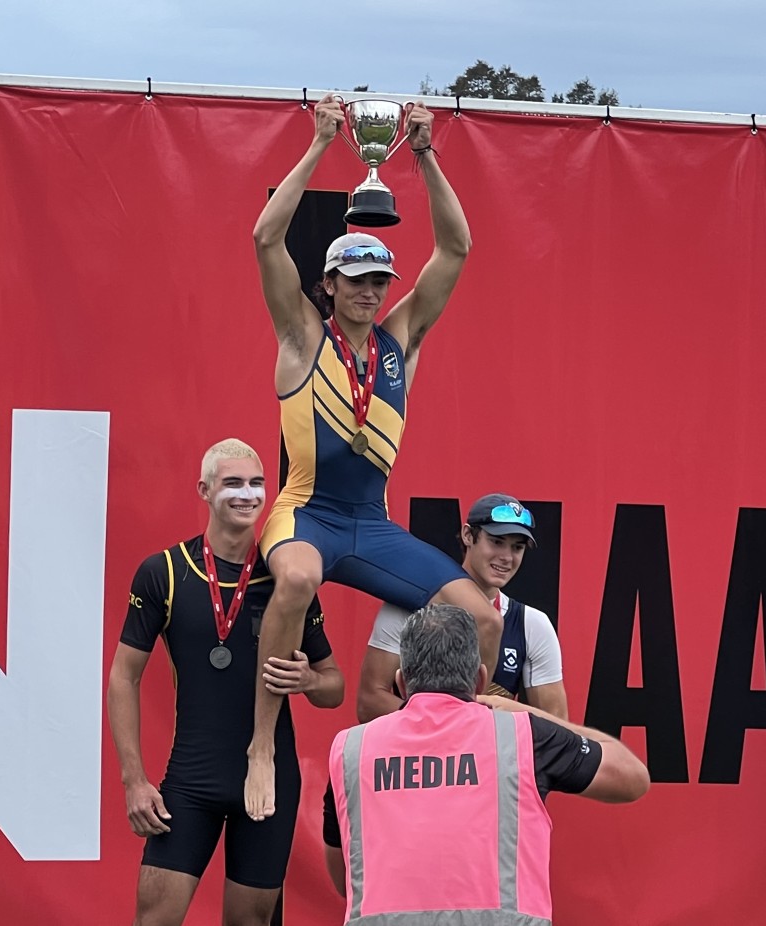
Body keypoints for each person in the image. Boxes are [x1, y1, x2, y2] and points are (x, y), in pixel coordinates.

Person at [246, 93, 502, 822]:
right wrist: (323, 144)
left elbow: (455, 250)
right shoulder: (301, 336)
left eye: (377, 281)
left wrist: (423, 154)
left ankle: (464, 747)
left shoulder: (399, 344)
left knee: (481, 619)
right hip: (307, 515)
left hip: (369, 525)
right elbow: (267, 241)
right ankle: (262, 743)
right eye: (354, 279)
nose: (367, 292)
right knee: (294, 576)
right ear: (328, 284)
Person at [106, 439, 344, 926]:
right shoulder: (164, 573)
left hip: (269, 780)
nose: (247, 494)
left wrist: (307, 680)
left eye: (257, 484)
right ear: (204, 489)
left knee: (249, 923)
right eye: (233, 483)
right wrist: (134, 780)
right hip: (192, 779)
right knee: (153, 918)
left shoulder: (288, 580)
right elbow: (122, 678)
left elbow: (335, 686)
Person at [322, 604, 649, 923]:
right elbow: (632, 777)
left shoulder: (351, 749)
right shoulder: (522, 735)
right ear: (480, 680)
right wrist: (528, 712)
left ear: (403, 683)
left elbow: (345, 880)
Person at [358, 493, 567, 722]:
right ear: (468, 535)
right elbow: (369, 702)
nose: (507, 557)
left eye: (517, 547)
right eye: (497, 542)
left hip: (488, 757)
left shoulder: (532, 624)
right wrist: (453, 728)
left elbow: (557, 726)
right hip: (420, 755)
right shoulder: (408, 606)